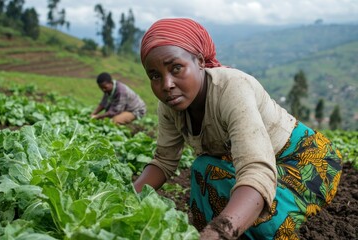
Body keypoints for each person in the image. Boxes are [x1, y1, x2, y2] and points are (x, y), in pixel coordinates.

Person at [133, 18, 343, 239]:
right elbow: (164, 161)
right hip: (257, 167)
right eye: (155, 76)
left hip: (306, 161)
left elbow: (256, 170)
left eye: (176, 68)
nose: (167, 84)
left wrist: (219, 232)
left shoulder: (232, 88)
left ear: (200, 62)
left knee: (266, 224)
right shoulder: (169, 105)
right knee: (203, 169)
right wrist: (125, 198)